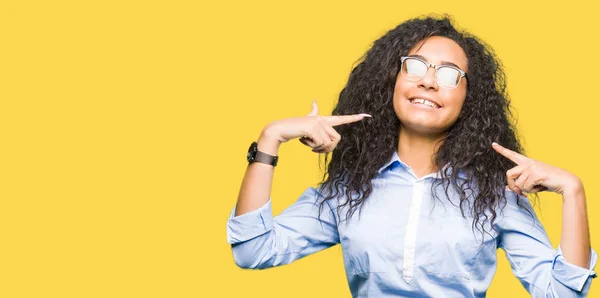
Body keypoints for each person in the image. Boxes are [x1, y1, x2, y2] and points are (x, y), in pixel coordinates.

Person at [225, 16, 597, 297]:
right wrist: (270, 138)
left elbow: (563, 291)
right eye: (416, 67)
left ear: (469, 99)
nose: (429, 81)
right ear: (393, 80)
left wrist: (573, 191)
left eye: (450, 74)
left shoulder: (494, 196)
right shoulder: (349, 190)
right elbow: (253, 250)